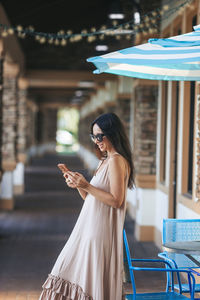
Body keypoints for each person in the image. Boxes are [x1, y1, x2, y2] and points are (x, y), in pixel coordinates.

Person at [38, 112, 135, 300]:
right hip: (88, 229)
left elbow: (116, 200)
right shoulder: (105, 160)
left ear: (113, 133)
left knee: (74, 274)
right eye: (94, 136)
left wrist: (87, 185)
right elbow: (92, 200)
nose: (96, 141)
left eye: (99, 136)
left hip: (98, 234)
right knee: (70, 274)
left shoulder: (116, 160)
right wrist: (78, 185)